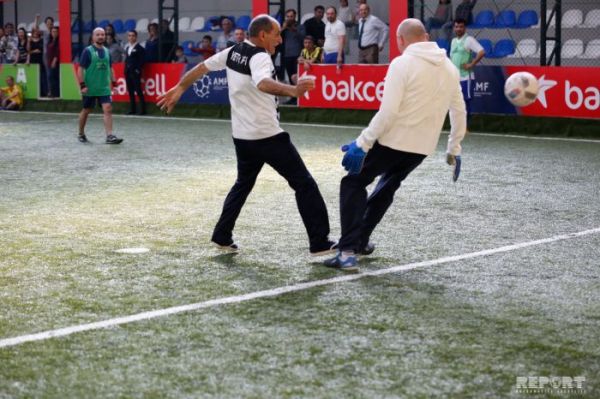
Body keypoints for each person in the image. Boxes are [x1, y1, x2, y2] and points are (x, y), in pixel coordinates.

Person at [157, 14, 335, 256]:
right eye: (276, 34)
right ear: (262, 35)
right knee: (304, 184)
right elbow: (262, 83)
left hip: (242, 137)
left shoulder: (233, 51)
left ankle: (222, 235)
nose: (280, 40)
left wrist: (180, 87)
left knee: (243, 184)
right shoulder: (260, 56)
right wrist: (294, 90)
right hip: (267, 135)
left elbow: (200, 67)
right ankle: (320, 242)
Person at [324, 19, 466, 271]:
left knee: (353, 182)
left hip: (393, 141)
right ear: (425, 36)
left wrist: (363, 142)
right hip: (422, 148)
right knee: (387, 184)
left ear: (400, 40)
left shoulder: (401, 63)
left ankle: (347, 251)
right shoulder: (450, 68)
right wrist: (454, 148)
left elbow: (388, 112)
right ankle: (360, 241)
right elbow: (459, 111)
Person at [77, 27, 123, 144]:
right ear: (93, 37)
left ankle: (110, 136)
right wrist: (82, 85)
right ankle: (81, 133)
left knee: (107, 109)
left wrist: (115, 84)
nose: (101, 36)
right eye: (98, 35)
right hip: (90, 88)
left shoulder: (107, 51)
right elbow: (80, 69)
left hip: (104, 88)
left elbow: (110, 68)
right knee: (86, 110)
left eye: (102, 34)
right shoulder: (87, 51)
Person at [450, 18, 485, 127]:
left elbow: (481, 51)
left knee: (465, 100)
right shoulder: (453, 41)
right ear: (454, 28)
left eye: (461, 26)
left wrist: (472, 64)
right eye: (456, 26)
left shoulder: (469, 40)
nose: (458, 29)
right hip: (455, 78)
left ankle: (466, 126)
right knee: (455, 102)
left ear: (464, 28)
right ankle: (457, 125)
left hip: (466, 77)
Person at [279, 9, 304, 84]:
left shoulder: (300, 26)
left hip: (297, 55)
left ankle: (299, 94)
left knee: (298, 75)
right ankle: (293, 94)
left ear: (295, 16)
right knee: (290, 76)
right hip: (286, 55)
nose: (289, 18)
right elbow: (275, 36)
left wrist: (293, 29)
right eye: (288, 16)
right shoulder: (283, 27)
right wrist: (283, 28)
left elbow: (303, 37)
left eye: (291, 16)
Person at [124, 29, 146, 115]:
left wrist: (137, 70)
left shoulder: (140, 48)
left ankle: (142, 109)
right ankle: (132, 109)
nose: (131, 37)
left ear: (136, 37)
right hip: (128, 72)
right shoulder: (127, 48)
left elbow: (142, 60)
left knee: (138, 90)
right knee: (130, 91)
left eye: (133, 36)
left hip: (135, 72)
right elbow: (126, 60)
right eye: (129, 36)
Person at [46, 26, 60, 97]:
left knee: (53, 77)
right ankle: (51, 92)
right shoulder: (50, 41)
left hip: (55, 62)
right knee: (50, 78)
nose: (54, 33)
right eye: (52, 32)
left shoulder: (58, 41)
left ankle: (55, 93)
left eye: (55, 32)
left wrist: (54, 60)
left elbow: (57, 52)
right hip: (48, 61)